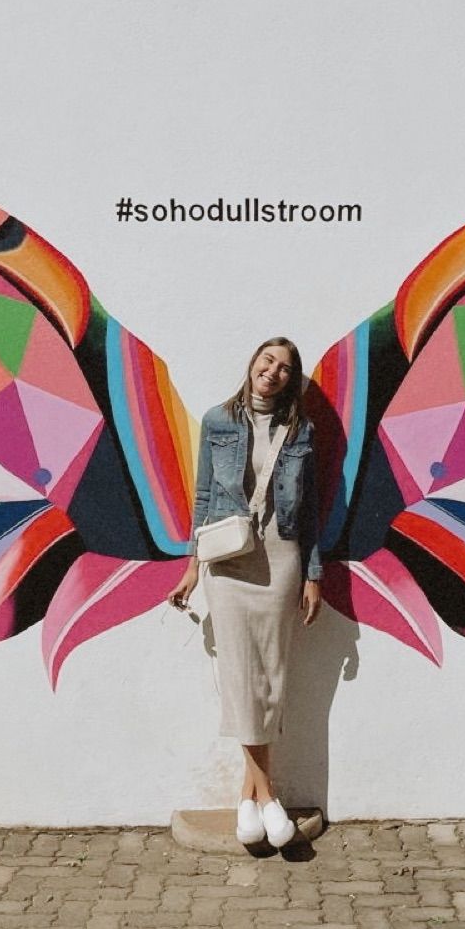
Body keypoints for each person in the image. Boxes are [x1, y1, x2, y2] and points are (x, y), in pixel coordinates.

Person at [168, 337, 322, 847]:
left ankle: (249, 796)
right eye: (268, 360)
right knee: (239, 675)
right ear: (253, 362)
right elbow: (204, 496)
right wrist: (192, 566)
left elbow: (311, 508)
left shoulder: (302, 431)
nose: (273, 371)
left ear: (291, 380)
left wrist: (313, 574)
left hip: (281, 556)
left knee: (272, 676)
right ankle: (267, 796)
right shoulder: (218, 421)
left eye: (285, 368)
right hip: (229, 559)